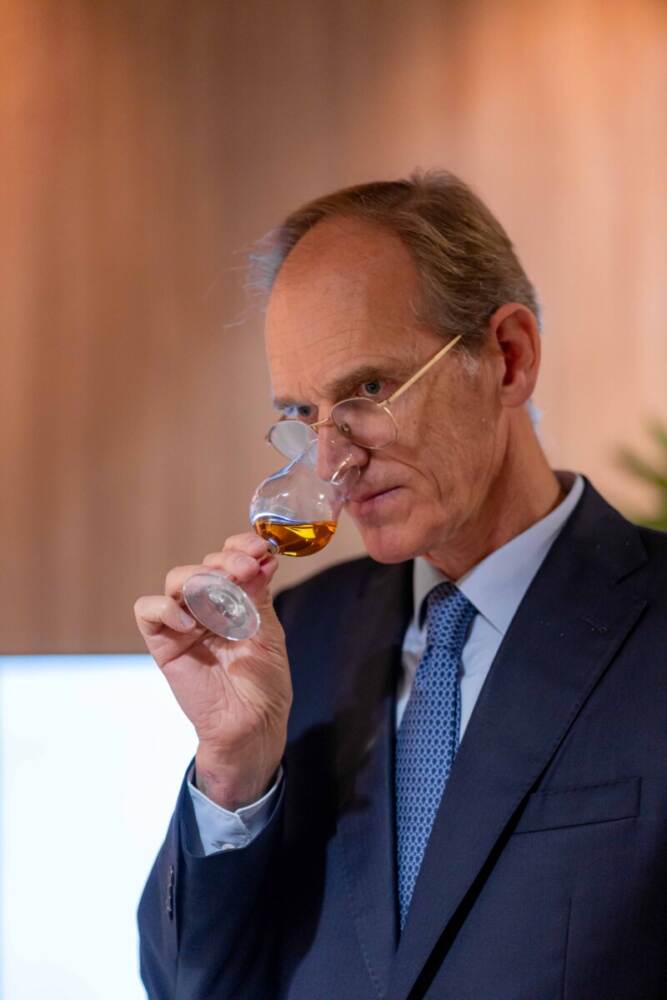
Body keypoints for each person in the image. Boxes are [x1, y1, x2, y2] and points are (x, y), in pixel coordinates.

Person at [135, 172, 667, 999]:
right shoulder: (294, 639)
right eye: (301, 414)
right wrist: (233, 772)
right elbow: (192, 988)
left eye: (369, 390)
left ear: (509, 358)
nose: (330, 462)